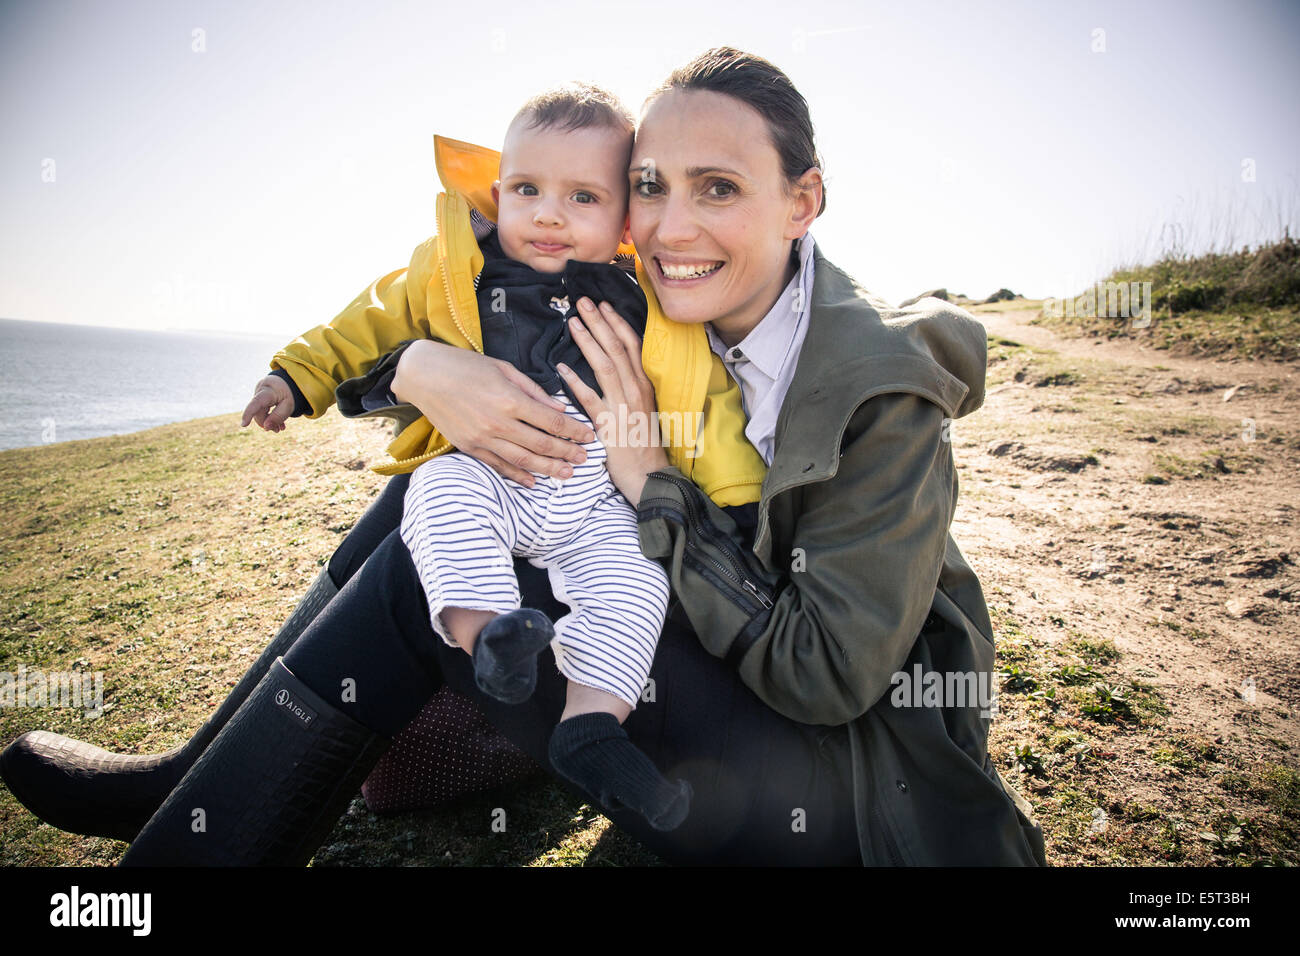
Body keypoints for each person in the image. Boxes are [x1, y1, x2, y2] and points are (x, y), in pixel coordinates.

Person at [1, 47, 1047, 866]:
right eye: (649, 184)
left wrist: (650, 483)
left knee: (429, 564)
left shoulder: (882, 389)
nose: (670, 225)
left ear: (803, 200)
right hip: (706, 685)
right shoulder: (680, 308)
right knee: (446, 483)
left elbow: (822, 675)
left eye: (719, 187)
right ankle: (195, 777)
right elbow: (466, 321)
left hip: (841, 805)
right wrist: (414, 365)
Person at [243, 84, 694, 831]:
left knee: (635, 584)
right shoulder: (457, 266)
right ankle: (488, 636)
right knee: (438, 492)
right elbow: (367, 323)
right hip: (497, 474)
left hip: (597, 499)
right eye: (527, 189)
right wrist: (294, 376)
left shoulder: (642, 287)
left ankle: (591, 724)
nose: (548, 213)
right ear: (496, 192)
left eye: (582, 196)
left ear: (623, 213)